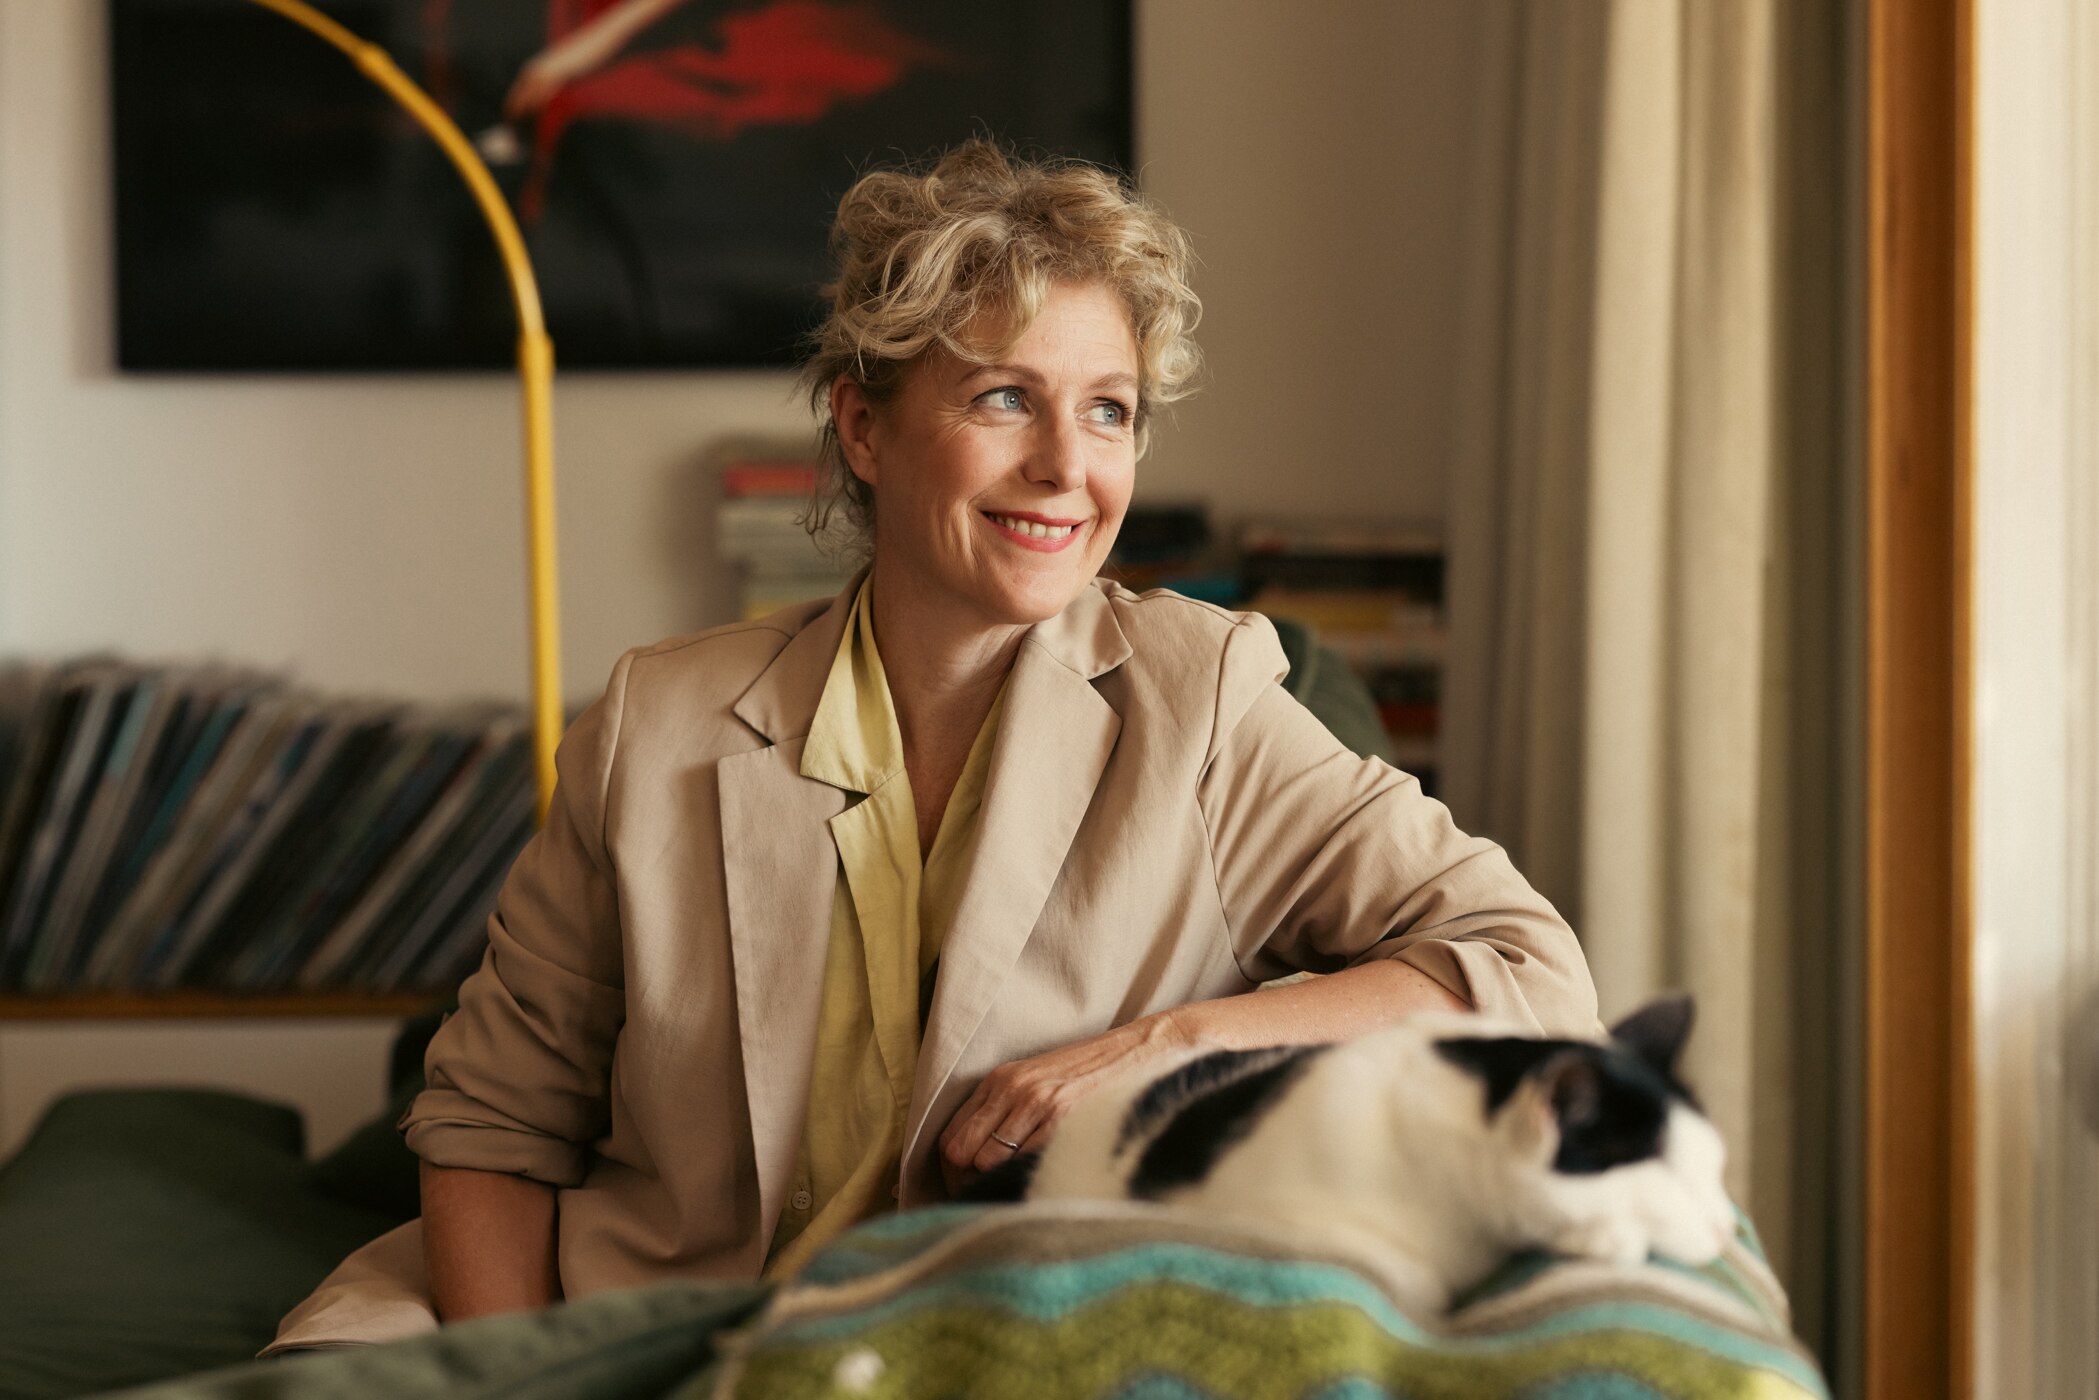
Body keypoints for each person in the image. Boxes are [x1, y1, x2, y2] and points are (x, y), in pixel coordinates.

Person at [268, 140, 1597, 1350]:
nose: (1065, 468)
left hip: (1002, 1341)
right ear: (862, 425)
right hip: (653, 1319)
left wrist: (1170, 1047)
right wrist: (521, 1382)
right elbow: (496, 1120)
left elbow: (1527, 968)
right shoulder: (656, 720)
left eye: (1109, 411)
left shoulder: (1207, 700)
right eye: (1006, 400)